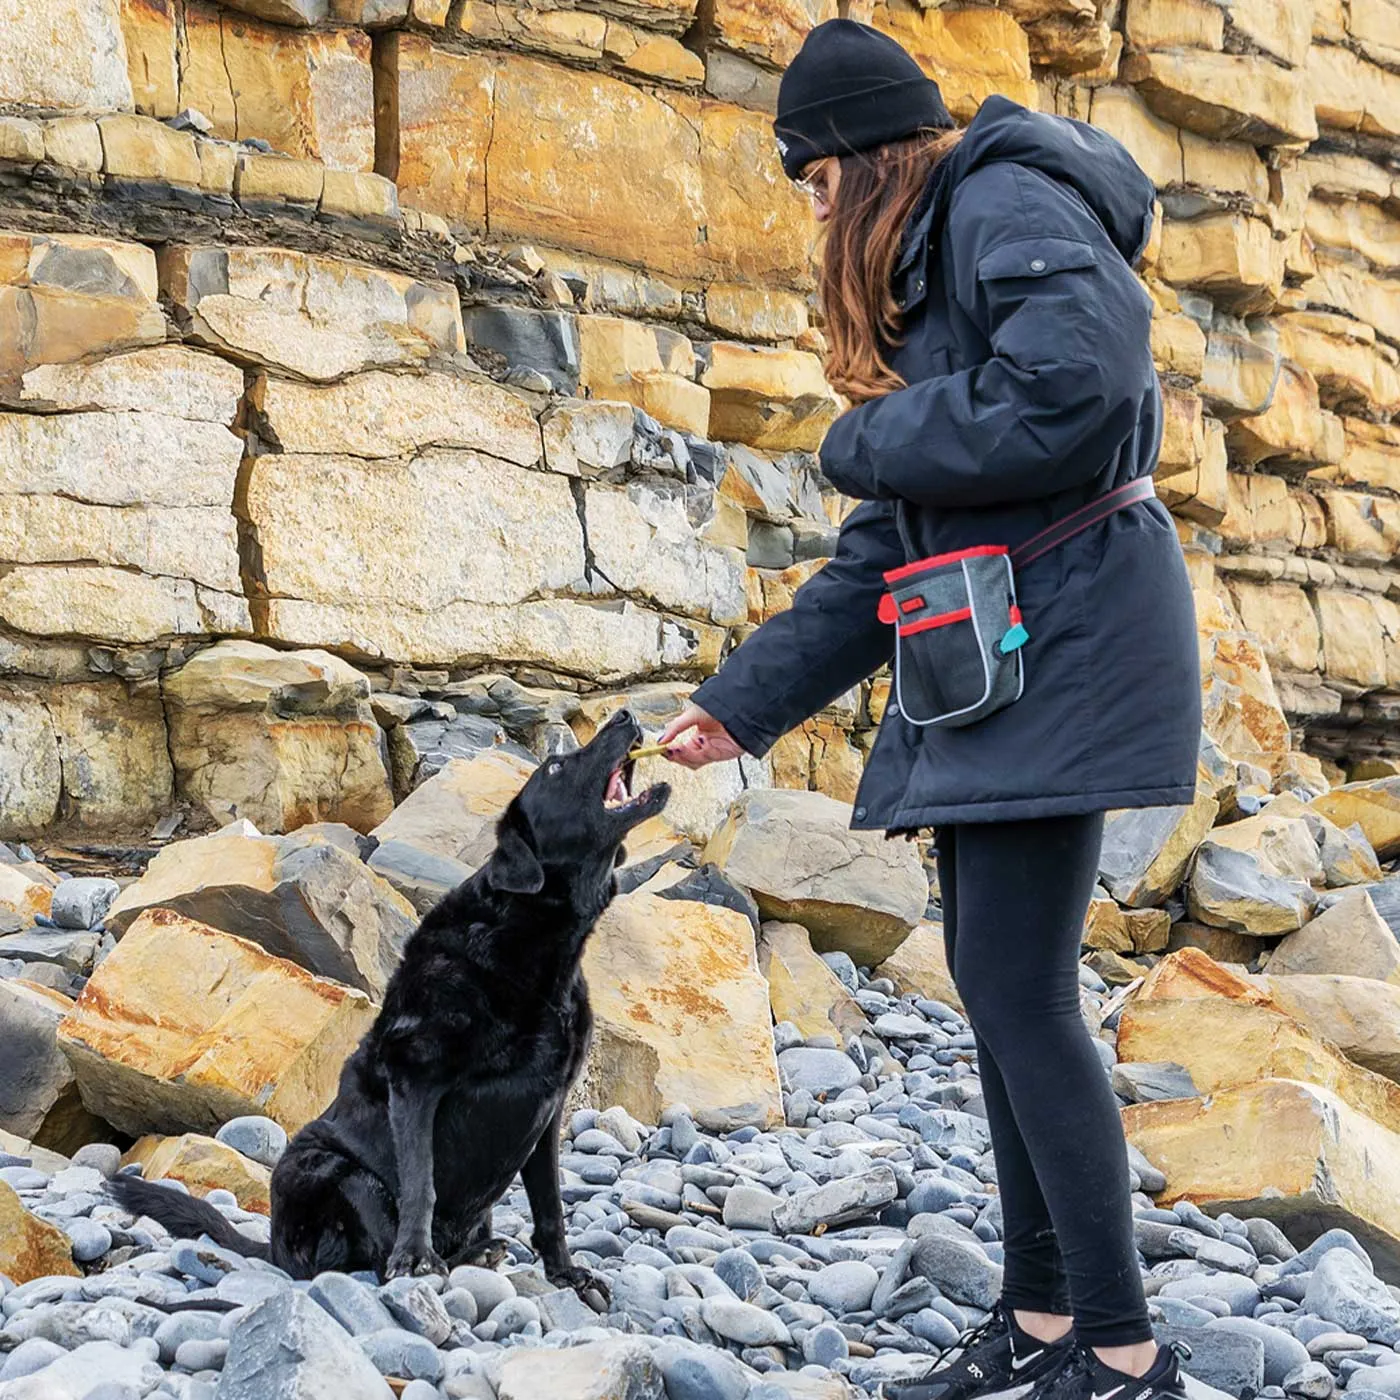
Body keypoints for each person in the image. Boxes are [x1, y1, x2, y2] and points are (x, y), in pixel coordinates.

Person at [656, 18, 1201, 1400]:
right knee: (996, 984)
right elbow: (891, 545)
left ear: (862, 152)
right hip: (1003, 638)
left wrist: (860, 433)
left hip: (1066, 627)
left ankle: (1124, 1349)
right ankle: (1037, 1321)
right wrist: (736, 709)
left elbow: (1082, 385)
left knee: (1021, 989)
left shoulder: (1003, 198)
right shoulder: (939, 242)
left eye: (813, 174)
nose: (810, 204)